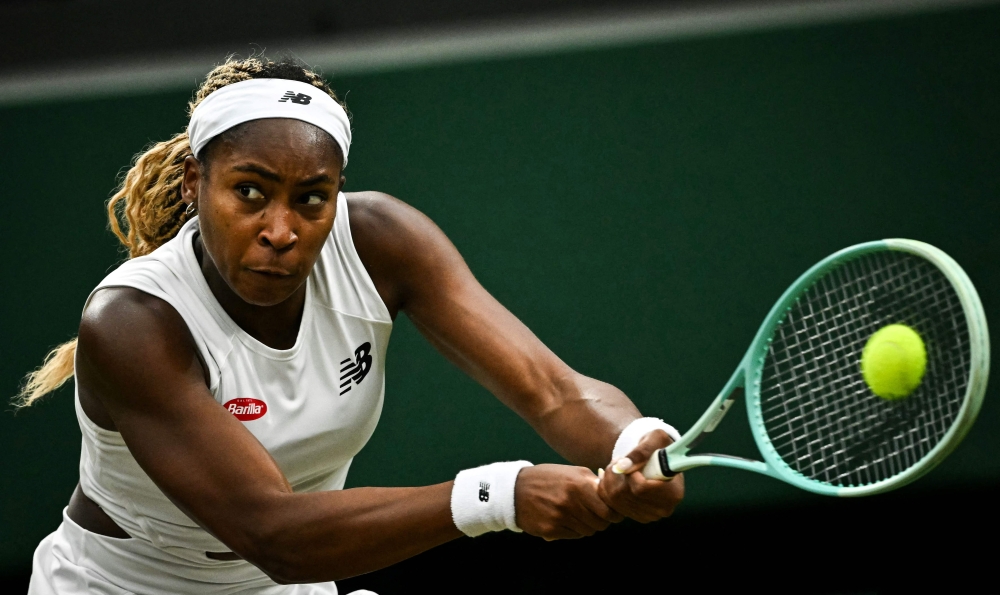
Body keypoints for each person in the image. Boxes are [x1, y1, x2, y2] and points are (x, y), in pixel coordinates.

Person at [19, 56, 683, 594]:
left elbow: (554, 391)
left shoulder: (382, 241)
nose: (281, 230)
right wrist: (496, 495)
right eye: (249, 192)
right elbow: (273, 533)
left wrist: (630, 441)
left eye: (312, 198)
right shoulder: (132, 321)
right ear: (195, 181)